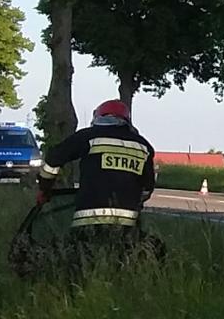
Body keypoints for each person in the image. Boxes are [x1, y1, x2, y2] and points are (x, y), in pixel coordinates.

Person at [36, 99, 158, 277]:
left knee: (81, 266)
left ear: (98, 117)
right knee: (120, 266)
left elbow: (53, 160)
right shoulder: (143, 146)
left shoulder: (88, 137)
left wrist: (45, 188)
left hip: (88, 218)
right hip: (127, 223)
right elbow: (147, 188)